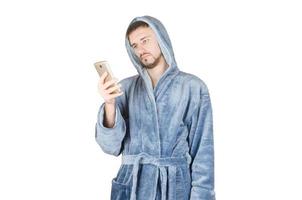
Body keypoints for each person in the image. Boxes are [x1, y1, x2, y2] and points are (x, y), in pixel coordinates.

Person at [95, 15, 215, 200]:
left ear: (161, 38)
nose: (140, 49)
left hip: (174, 189)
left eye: (145, 40)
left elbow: (203, 153)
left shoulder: (193, 87)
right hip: (131, 188)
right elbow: (110, 147)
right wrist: (110, 104)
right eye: (134, 45)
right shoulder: (125, 89)